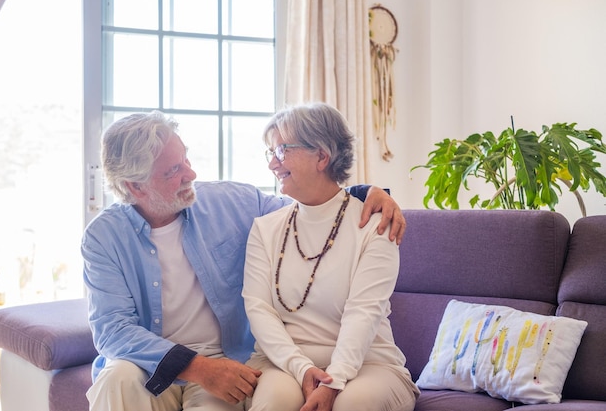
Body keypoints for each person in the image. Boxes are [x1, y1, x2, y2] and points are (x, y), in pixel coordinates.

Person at [82, 110, 407, 411]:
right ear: (134, 187)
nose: (191, 174)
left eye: (186, 160)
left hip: (226, 362)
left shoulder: (231, 202)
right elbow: (113, 330)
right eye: (173, 170)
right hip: (148, 366)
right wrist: (198, 368)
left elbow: (311, 206)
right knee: (116, 378)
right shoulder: (103, 237)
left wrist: (369, 192)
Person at [242, 103, 420, 411]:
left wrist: (335, 380)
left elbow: (363, 312)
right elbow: (258, 309)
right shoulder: (265, 228)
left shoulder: (375, 224)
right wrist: (301, 368)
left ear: (322, 156)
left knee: (353, 405)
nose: (272, 164)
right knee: (274, 403)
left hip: (370, 362)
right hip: (285, 362)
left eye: (282, 150)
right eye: (270, 152)